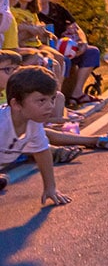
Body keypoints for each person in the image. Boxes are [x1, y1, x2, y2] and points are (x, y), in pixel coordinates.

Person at [0, 66, 71, 205]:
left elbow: (42, 153)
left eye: (52, 99)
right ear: (16, 104)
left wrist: (51, 188)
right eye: (41, 101)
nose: (50, 106)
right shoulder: (2, 123)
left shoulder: (33, 123)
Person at [36, 0, 101, 105]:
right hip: (47, 48)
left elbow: (76, 28)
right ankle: (57, 99)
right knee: (62, 60)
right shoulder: (31, 11)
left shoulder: (58, 10)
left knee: (92, 52)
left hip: (67, 46)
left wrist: (83, 42)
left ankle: (77, 94)